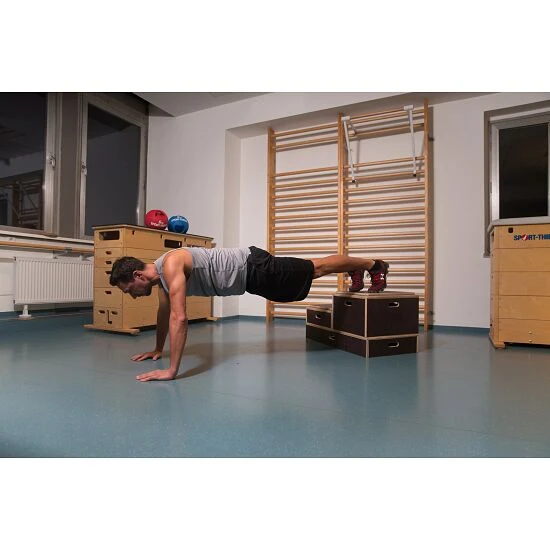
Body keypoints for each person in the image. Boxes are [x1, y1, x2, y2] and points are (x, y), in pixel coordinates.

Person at [109, 246, 389, 382]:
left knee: (314, 268)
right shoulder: (162, 280)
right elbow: (164, 313)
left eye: (129, 289)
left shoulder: (170, 265)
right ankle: (355, 267)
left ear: (137, 275)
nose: (132, 295)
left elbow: (179, 318)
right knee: (301, 281)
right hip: (251, 279)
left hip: (254, 267)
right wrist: (158, 348)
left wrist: (172, 371)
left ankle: (372, 264)